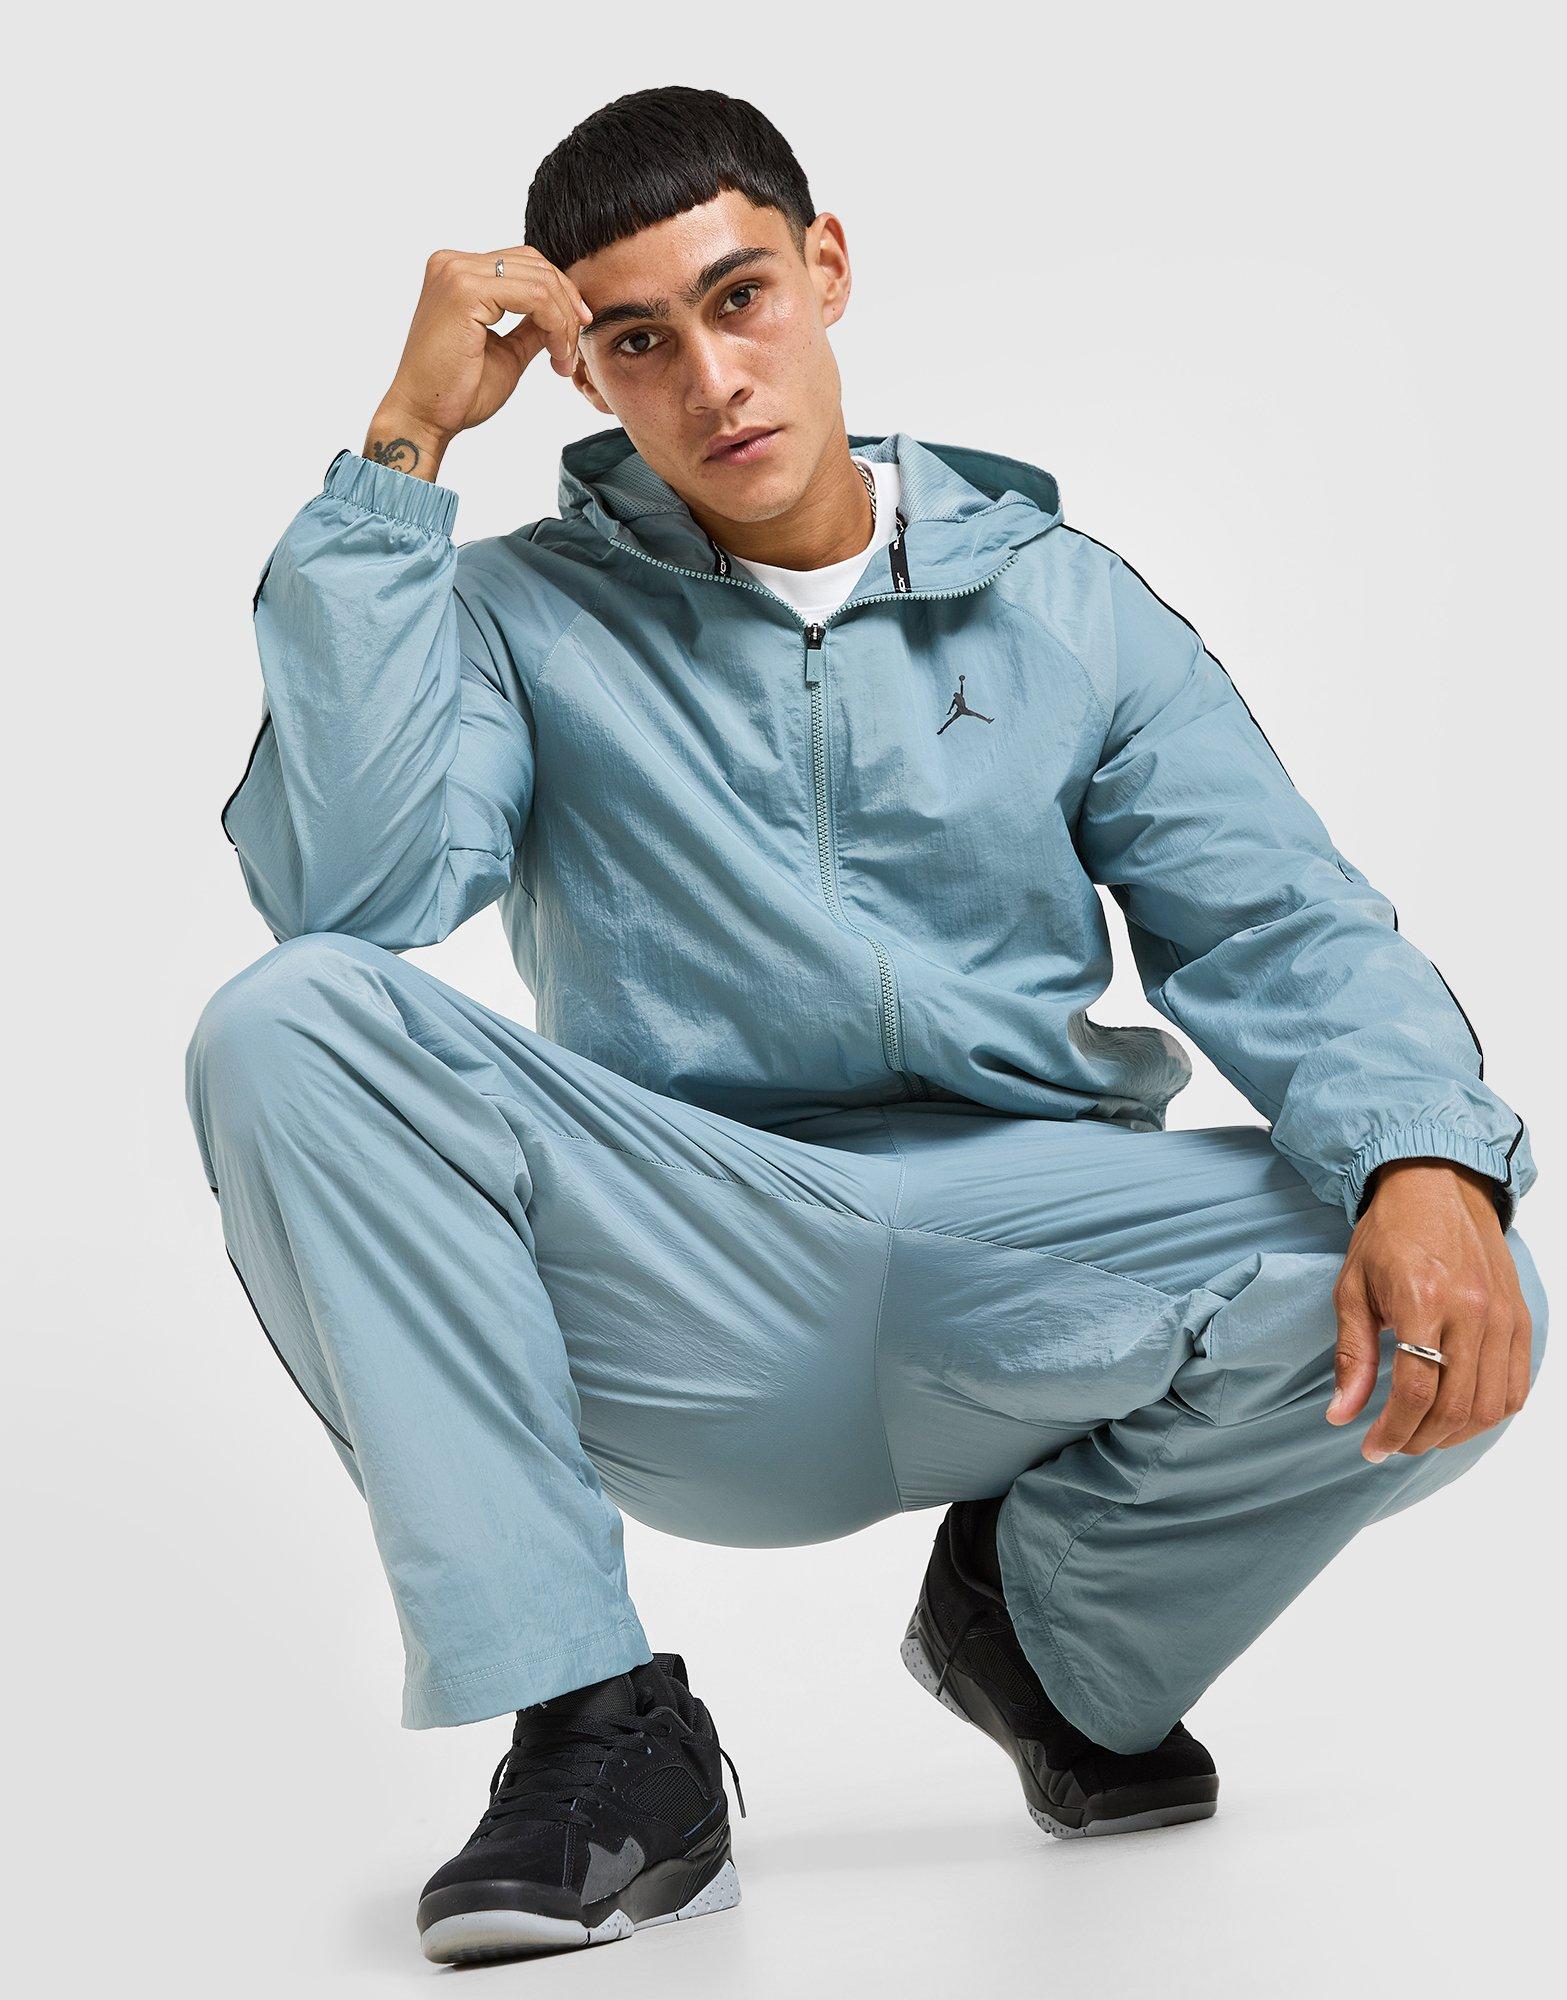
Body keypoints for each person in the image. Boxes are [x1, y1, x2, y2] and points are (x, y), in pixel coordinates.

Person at [183, 84, 1547, 1967]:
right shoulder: (511, 615)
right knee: (288, 1023)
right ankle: (599, 1731)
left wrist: (1421, 1159)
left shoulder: (1060, 604)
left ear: (825, 269)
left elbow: (1279, 921)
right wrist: (403, 451)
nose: (711, 380)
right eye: (637, 342)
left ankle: (1056, 1639)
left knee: (1461, 1278)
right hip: (693, 1271)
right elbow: (349, 893)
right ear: (582, 372)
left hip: (1024, 1262)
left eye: (739, 299)